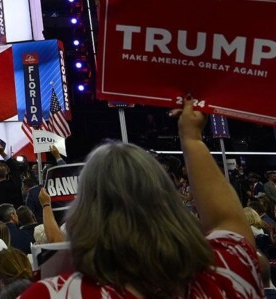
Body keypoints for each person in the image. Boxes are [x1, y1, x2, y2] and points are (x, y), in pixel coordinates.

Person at [21, 99, 262, 297]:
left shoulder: (55, 294)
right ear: (169, 202)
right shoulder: (229, 272)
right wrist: (192, 138)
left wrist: (46, 206)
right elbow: (228, 222)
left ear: (83, 212)